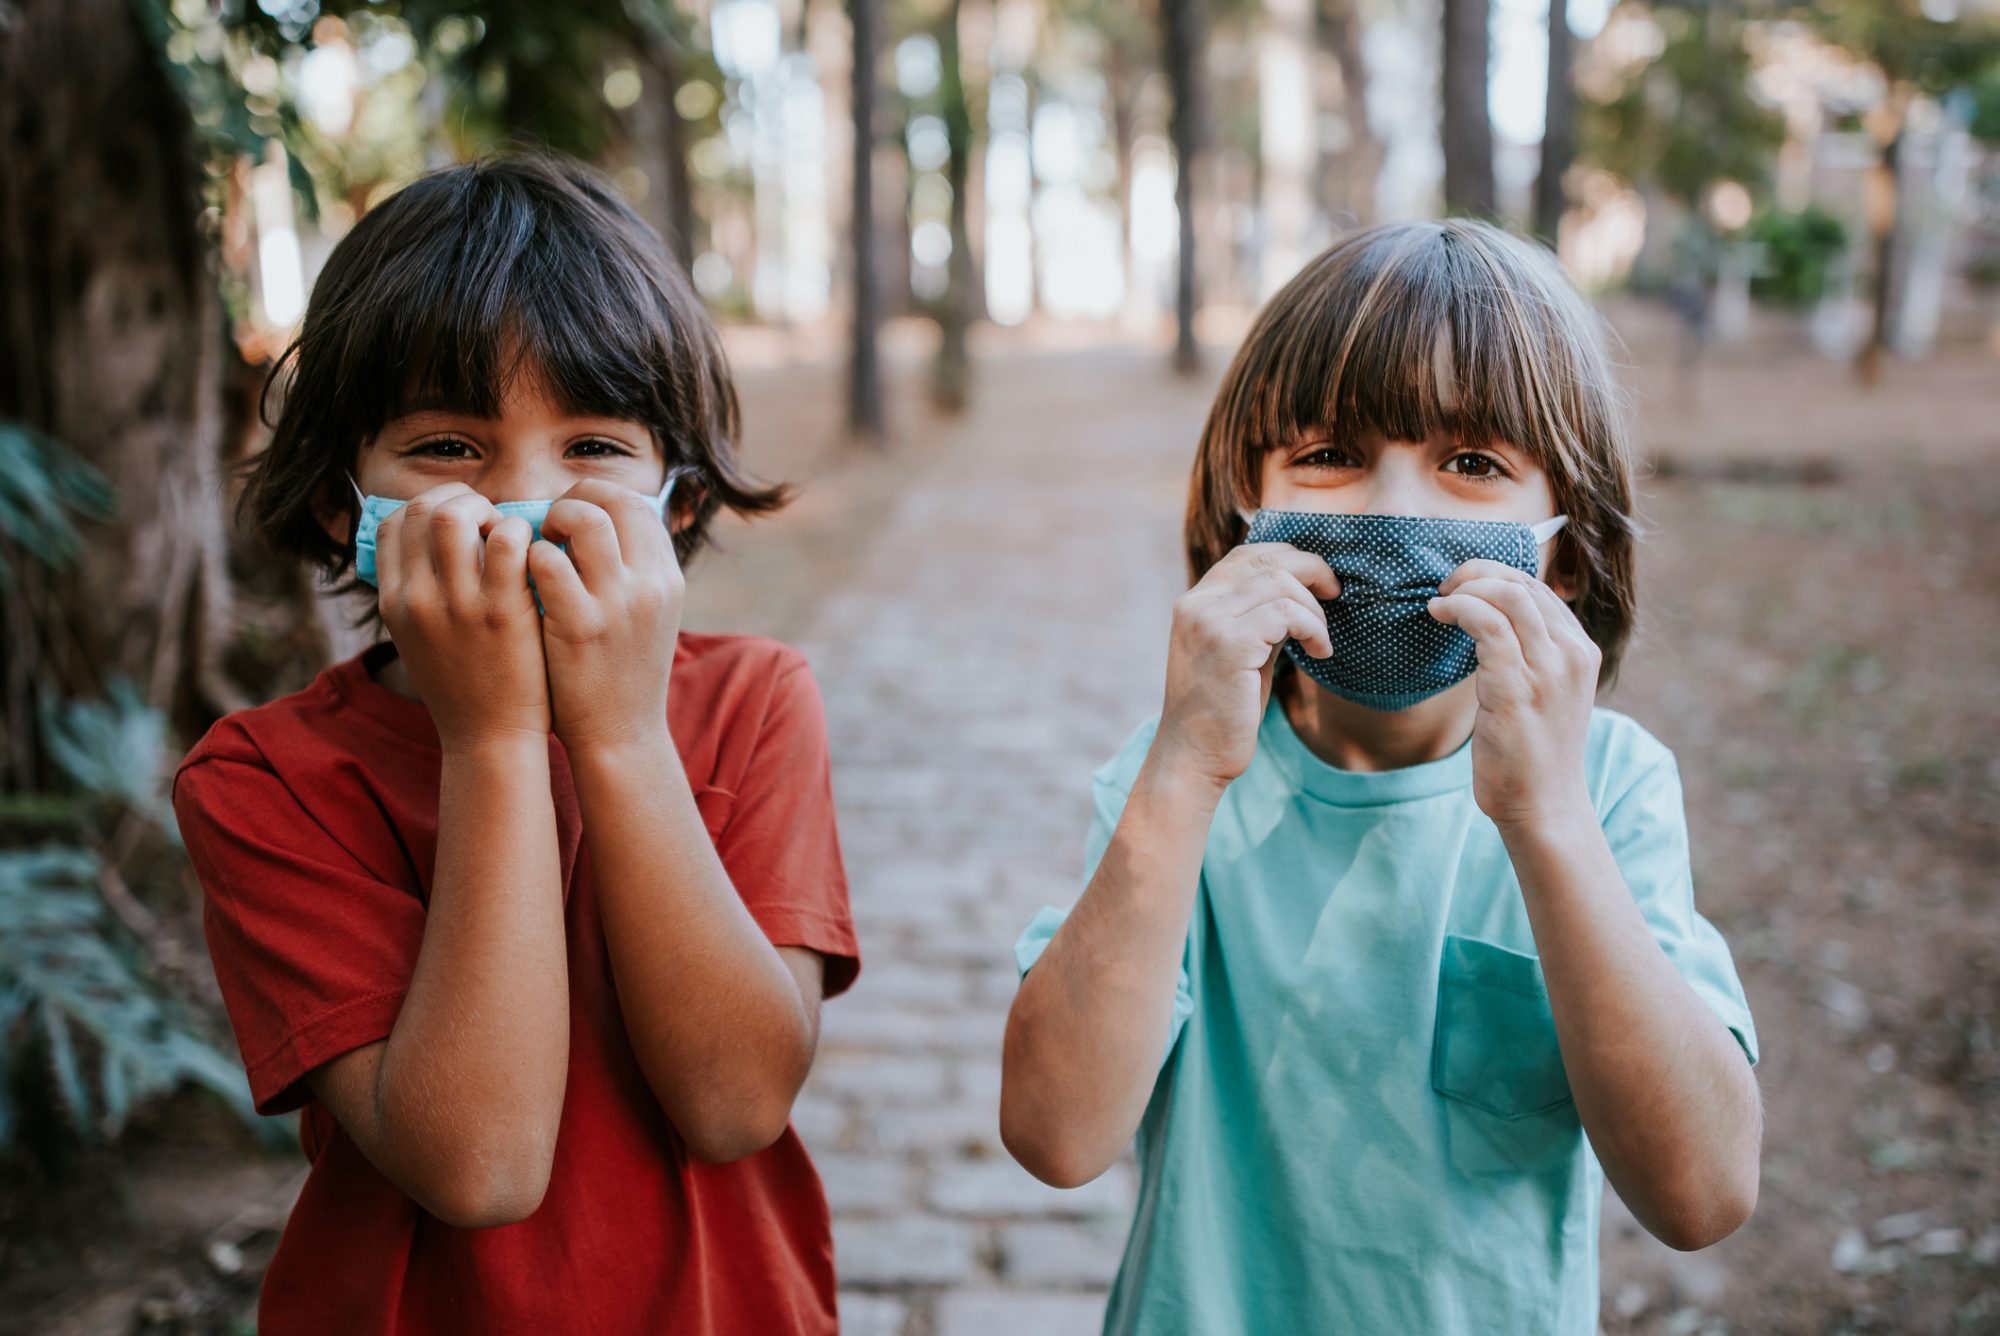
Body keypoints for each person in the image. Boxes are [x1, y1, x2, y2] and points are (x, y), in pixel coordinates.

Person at [1001, 218, 1761, 1334]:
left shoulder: (1607, 787)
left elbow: (1699, 1192)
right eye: (1325, 453)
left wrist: (1545, 824)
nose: (1389, 510)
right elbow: (1055, 1134)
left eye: (1470, 464)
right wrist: (1179, 777)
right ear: (1241, 508)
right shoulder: (1176, 784)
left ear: (1562, 538)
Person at [172, 155, 859, 1335]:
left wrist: (622, 734)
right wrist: (489, 739)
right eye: (447, 448)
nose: (518, 503)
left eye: (592, 447)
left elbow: (738, 1098)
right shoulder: (263, 780)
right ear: (346, 505)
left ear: (677, 501)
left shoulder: (752, 702)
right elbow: (479, 1165)